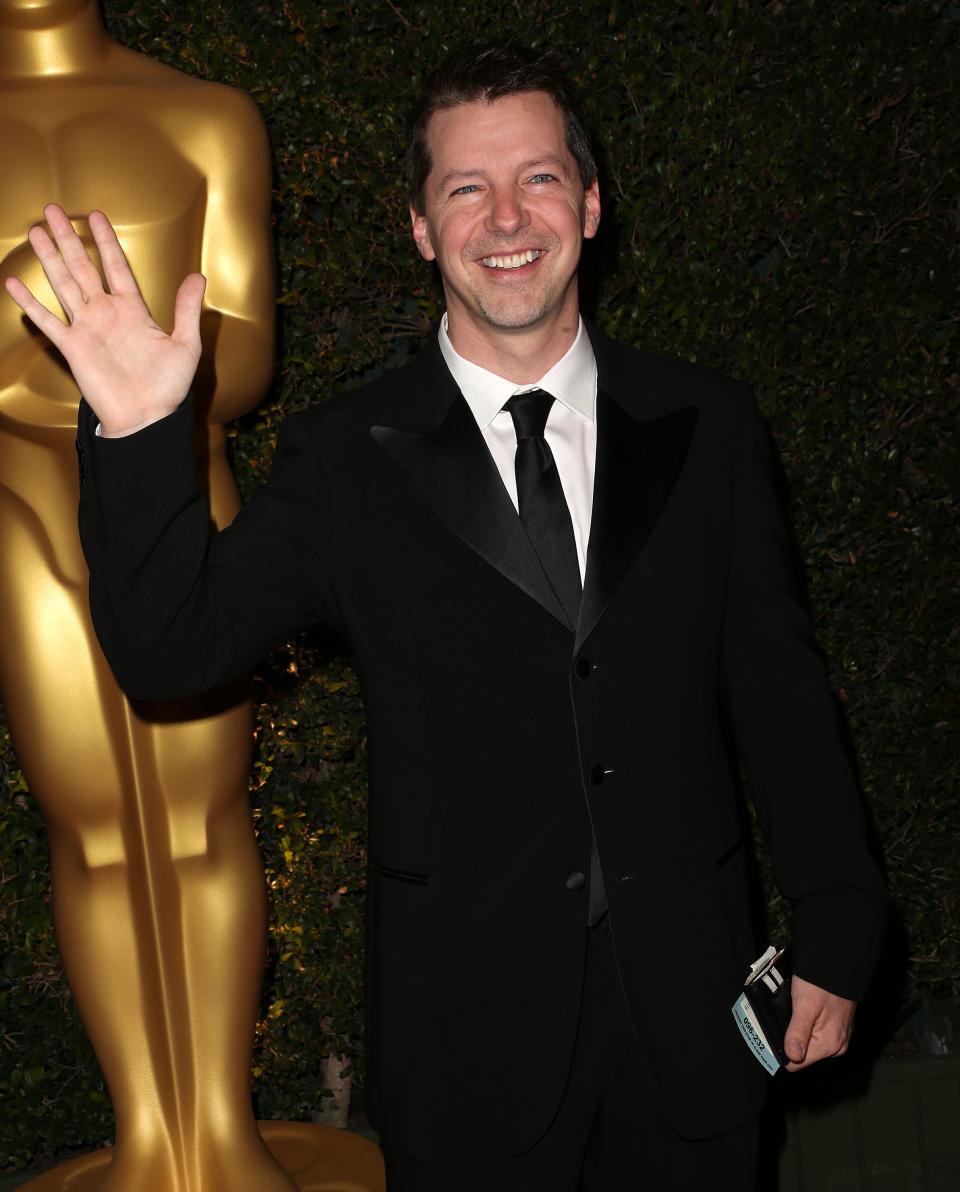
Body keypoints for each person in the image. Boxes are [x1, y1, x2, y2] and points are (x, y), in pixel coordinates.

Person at [6, 43, 886, 1192]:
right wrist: (140, 435)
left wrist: (840, 915)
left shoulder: (708, 423)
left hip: (697, 1019)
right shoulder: (343, 460)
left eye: (538, 178)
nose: (506, 217)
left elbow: (780, 690)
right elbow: (172, 655)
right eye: (466, 188)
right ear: (423, 227)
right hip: (467, 1043)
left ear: (591, 202)